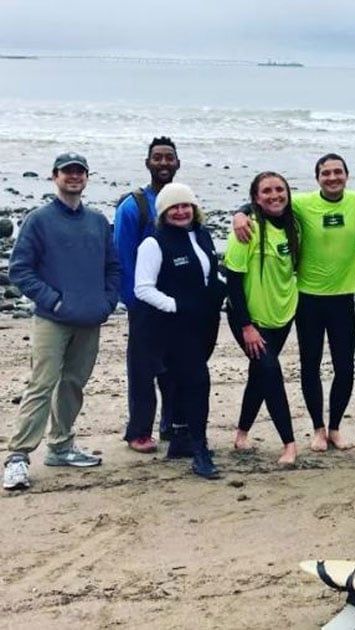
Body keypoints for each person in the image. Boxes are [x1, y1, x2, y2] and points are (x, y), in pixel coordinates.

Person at [3, 152, 121, 491]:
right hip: (52, 320)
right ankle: (18, 457)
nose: (73, 177)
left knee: (73, 384)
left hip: (90, 318)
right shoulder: (39, 219)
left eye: (79, 172)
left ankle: (61, 446)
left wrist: (107, 301)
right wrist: (53, 299)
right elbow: (19, 269)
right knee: (41, 384)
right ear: (54, 177)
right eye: (67, 172)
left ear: (87, 178)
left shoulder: (98, 220)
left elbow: (112, 267)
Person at [234, 154, 355, 452]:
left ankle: (335, 428)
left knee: (345, 368)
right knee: (311, 365)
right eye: (325, 173)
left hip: (344, 298)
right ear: (317, 178)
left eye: (337, 172)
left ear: (347, 175)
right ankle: (317, 429)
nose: (332, 177)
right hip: (307, 300)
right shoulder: (301, 204)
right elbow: (266, 204)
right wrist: (240, 215)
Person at [133, 183, 226, 478]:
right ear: (163, 212)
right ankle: (199, 450)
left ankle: (181, 441)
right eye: (174, 207)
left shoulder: (202, 235)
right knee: (199, 382)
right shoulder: (153, 243)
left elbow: (210, 273)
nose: (181, 211)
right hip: (172, 327)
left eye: (186, 205)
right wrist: (176, 306)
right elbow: (143, 288)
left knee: (185, 384)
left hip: (204, 323)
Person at [224, 172, 300, 465]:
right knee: (271, 373)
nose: (274, 195)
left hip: (282, 316)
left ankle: (241, 435)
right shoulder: (247, 230)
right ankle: (289, 445)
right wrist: (247, 326)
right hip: (250, 320)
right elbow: (233, 282)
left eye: (280, 189)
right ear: (255, 197)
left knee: (260, 375)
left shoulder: (295, 225)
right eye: (266, 191)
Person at [114, 136, 180, 452]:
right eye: (158, 157)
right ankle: (139, 431)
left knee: (175, 368)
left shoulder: (182, 203)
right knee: (142, 371)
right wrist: (132, 301)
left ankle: (171, 425)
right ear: (148, 163)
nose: (164, 163)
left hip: (175, 304)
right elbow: (121, 255)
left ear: (177, 163)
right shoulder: (134, 205)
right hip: (143, 303)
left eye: (169, 157)